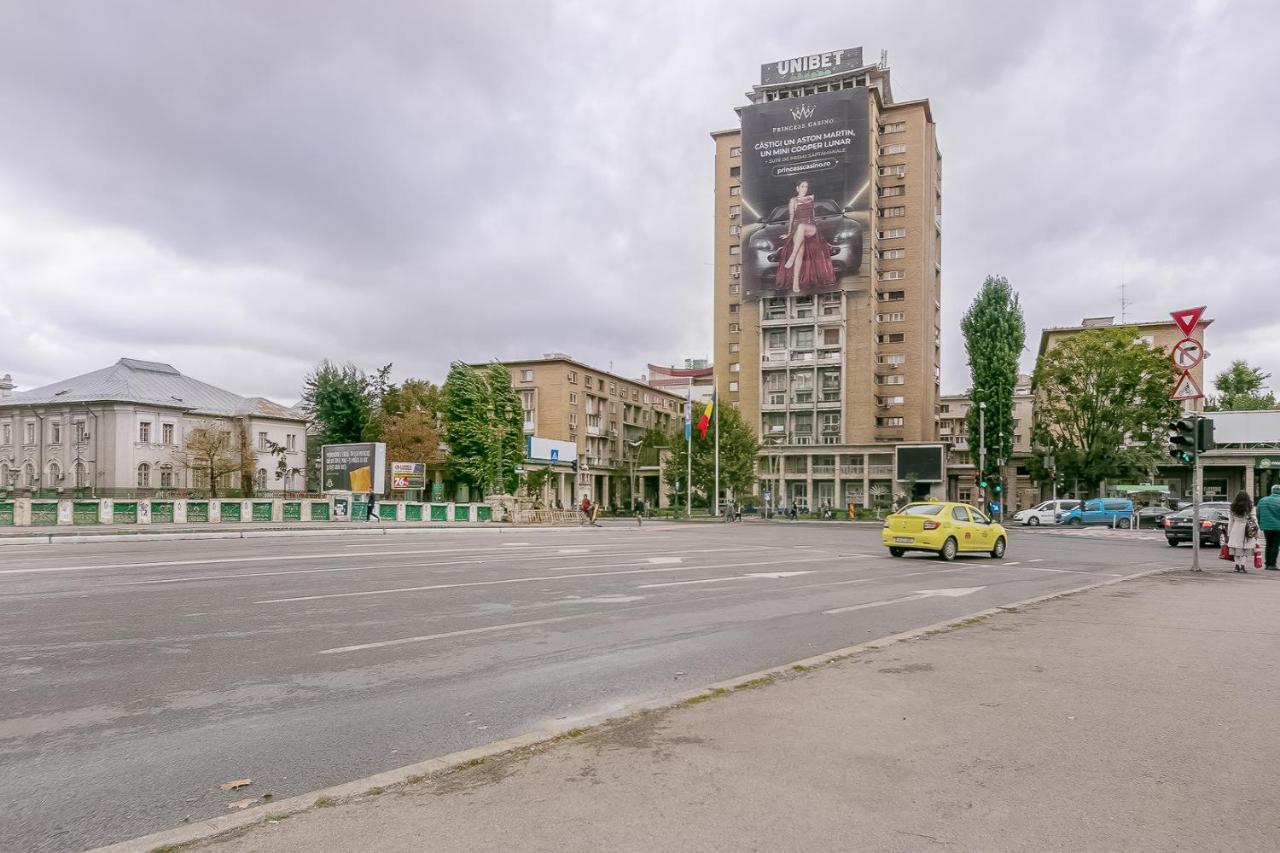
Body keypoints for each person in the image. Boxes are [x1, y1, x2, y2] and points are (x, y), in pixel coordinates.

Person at [775, 180, 835, 294]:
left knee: (802, 227)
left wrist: (818, 228)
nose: (805, 188)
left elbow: (813, 215)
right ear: (797, 188)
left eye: (806, 186)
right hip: (798, 230)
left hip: (811, 228)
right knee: (800, 249)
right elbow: (791, 218)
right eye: (802, 186)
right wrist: (789, 233)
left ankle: (791, 257)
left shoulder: (811, 198)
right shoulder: (793, 200)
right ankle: (795, 282)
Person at [1226, 490, 1257, 573]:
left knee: (1236, 548)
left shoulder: (1233, 507)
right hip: (1247, 529)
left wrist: (1229, 533)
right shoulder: (1250, 507)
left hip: (1236, 528)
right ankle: (1242, 566)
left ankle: (1237, 566)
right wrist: (1256, 530)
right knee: (1246, 548)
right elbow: (1254, 519)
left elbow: (1231, 521)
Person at [1258, 484, 1280, 570]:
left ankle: (1267, 564)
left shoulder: (1263, 500)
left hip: (1266, 527)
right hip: (1278, 527)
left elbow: (1258, 513)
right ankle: (1272, 564)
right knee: (1275, 545)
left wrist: (1261, 523)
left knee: (1268, 544)